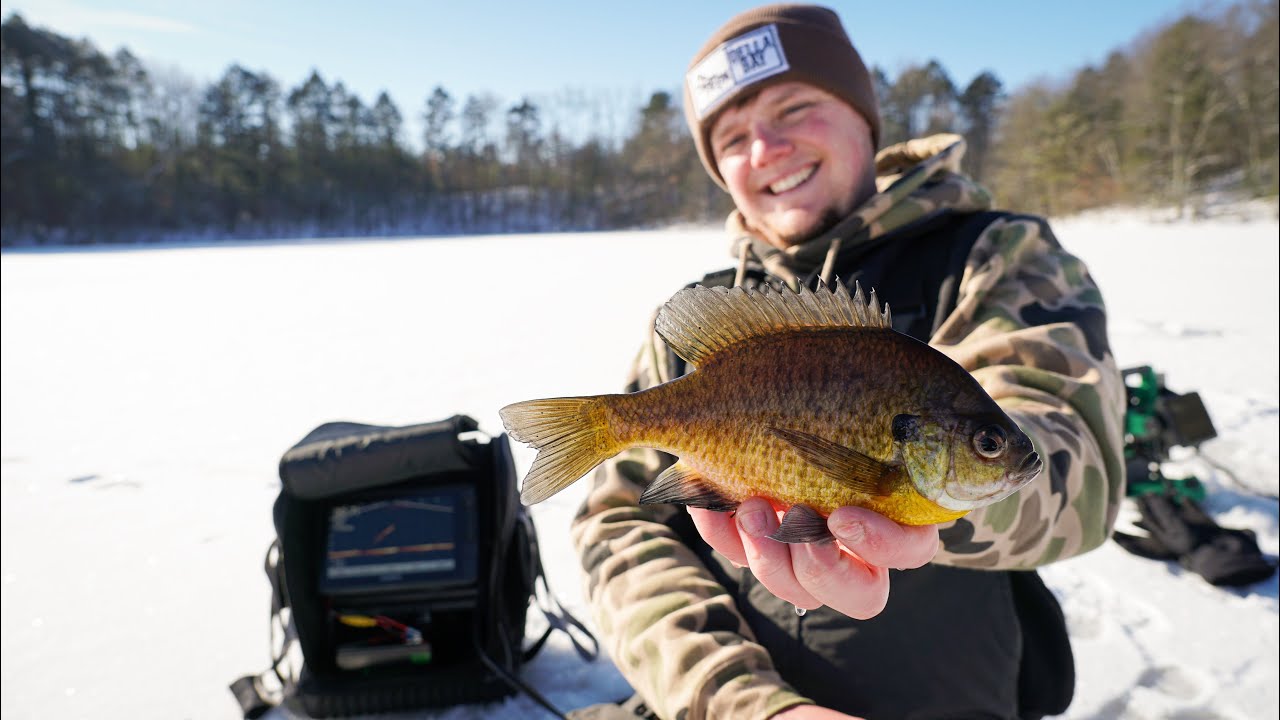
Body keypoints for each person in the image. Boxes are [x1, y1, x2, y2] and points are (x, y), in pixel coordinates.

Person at [569, 5, 1126, 720]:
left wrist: (923, 506)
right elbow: (618, 522)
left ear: (866, 118)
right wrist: (737, 702)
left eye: (793, 107)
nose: (765, 148)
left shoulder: (992, 259)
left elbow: (1075, 470)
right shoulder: (706, 318)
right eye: (731, 138)